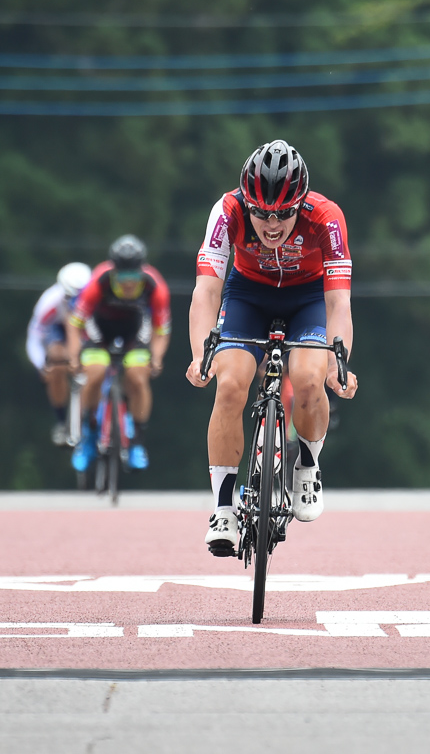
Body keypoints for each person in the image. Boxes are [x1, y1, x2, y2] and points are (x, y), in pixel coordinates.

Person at [186, 139, 358, 555]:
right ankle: (224, 508)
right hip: (248, 296)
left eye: (283, 212)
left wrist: (339, 361)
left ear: (302, 203)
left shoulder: (328, 217)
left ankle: (308, 466)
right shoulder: (226, 211)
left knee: (308, 378)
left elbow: (338, 301)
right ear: (247, 202)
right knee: (229, 385)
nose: (272, 223)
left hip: (308, 299)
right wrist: (199, 354)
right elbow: (206, 292)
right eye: (261, 212)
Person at [66, 236, 171, 471]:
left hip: (136, 332)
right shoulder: (99, 281)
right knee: (94, 374)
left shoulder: (156, 287)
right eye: (123, 277)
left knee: (137, 377)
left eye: (133, 277)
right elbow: (75, 323)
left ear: (141, 272)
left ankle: (137, 443)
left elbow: (161, 330)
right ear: (114, 273)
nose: (128, 284)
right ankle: (89, 435)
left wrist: (157, 358)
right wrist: (74, 356)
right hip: (99, 330)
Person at [26, 262, 92, 445]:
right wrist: (42, 366)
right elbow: (34, 339)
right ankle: (62, 421)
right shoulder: (49, 302)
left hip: (85, 329)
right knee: (56, 362)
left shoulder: (96, 299)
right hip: (57, 330)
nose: (75, 303)